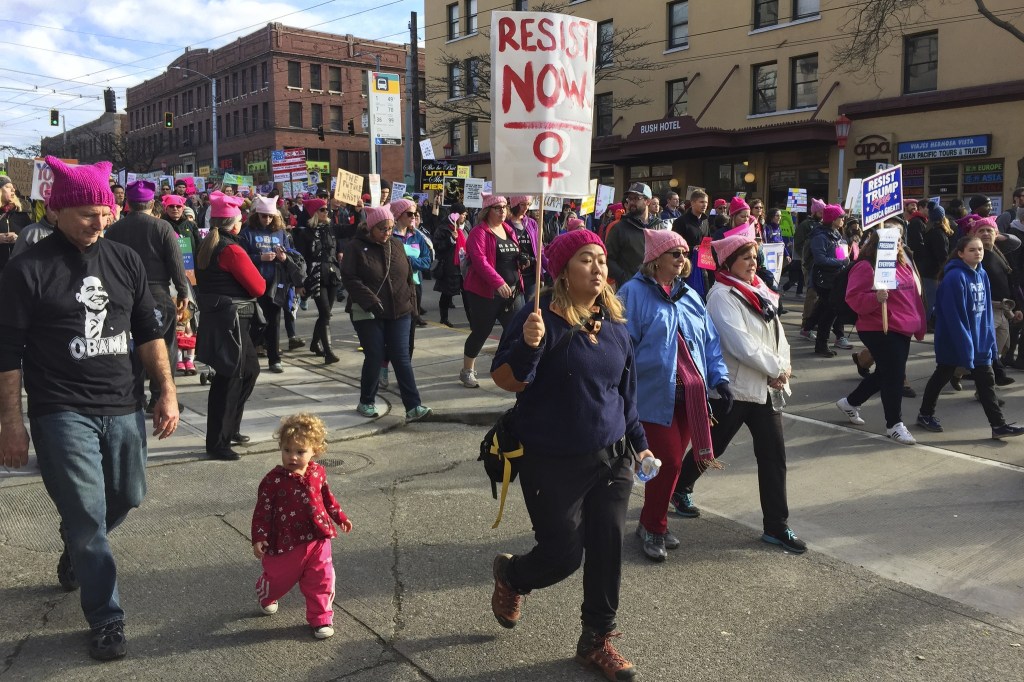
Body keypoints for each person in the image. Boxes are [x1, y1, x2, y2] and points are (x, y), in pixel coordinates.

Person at [0, 157, 178, 661]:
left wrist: (165, 391)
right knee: (88, 517)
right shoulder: (27, 269)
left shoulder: (125, 260)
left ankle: (76, 547)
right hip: (60, 410)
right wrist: (11, 422)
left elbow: (147, 332)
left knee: (128, 495)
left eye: (105, 211)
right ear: (56, 211)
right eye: (86, 214)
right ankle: (106, 618)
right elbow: (7, 351)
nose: (99, 223)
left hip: (122, 404)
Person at [489, 230, 652, 682]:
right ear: (562, 270)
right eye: (586, 260)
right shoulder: (540, 316)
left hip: (613, 458)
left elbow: (625, 394)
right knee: (563, 554)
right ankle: (513, 576)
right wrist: (529, 345)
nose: (598, 268)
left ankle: (596, 639)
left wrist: (639, 444)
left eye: (601, 260)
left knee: (607, 548)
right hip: (551, 460)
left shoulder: (616, 322)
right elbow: (506, 379)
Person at [672, 225, 805, 553]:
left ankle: (777, 526)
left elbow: (778, 335)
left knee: (774, 456)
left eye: (755, 257)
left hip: (765, 389)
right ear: (728, 262)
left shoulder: (760, 289)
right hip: (734, 388)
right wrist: (775, 368)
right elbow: (739, 344)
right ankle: (680, 486)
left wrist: (784, 367)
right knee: (712, 446)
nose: (752, 263)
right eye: (745, 257)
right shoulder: (721, 296)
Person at [617, 230, 729, 562]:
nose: (683, 260)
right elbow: (623, 348)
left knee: (672, 466)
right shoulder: (632, 294)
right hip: (651, 398)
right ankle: (653, 526)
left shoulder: (689, 295)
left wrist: (719, 379)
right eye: (676, 254)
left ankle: (650, 522)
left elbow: (709, 341)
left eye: (684, 253)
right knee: (669, 463)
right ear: (655, 260)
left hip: (689, 399)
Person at [252, 413, 352, 640]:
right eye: (287, 450)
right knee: (278, 580)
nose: (293, 457)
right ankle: (266, 593)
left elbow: (327, 498)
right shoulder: (273, 481)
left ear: (314, 450)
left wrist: (340, 516)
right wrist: (259, 536)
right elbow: (262, 511)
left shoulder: (317, 473)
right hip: (286, 542)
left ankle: (321, 617)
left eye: (300, 452)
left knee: (322, 578)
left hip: (318, 537)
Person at [916, 235, 1024, 439]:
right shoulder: (954, 278)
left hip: (979, 340)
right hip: (955, 340)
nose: (978, 253)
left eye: (981, 249)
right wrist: (966, 347)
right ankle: (925, 414)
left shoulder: (982, 274)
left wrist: (989, 340)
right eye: (972, 250)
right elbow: (953, 317)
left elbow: (984, 314)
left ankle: (998, 426)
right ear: (960, 253)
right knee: (943, 375)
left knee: (987, 380)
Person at [836, 228, 927, 444]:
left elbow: (914, 297)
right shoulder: (865, 267)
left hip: (902, 326)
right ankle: (894, 425)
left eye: (898, 241)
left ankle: (851, 402)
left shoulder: (903, 265)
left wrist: (920, 324)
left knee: (887, 372)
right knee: (895, 376)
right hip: (878, 328)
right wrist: (875, 298)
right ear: (877, 244)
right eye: (889, 242)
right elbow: (854, 297)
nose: (896, 245)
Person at [105, 180, 190, 413]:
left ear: (128, 204)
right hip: (157, 294)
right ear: (152, 203)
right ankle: (160, 396)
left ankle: (135, 396)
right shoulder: (162, 228)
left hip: (124, 295)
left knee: (128, 345)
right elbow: (176, 264)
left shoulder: (113, 230)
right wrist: (184, 291)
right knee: (164, 345)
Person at [341, 205, 432, 422]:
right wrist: (371, 301)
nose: (388, 233)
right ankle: (366, 401)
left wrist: (414, 309)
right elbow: (350, 279)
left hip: (400, 311)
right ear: (371, 227)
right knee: (375, 354)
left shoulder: (396, 245)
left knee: (401, 358)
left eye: (390, 228)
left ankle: (413, 406)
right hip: (368, 312)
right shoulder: (356, 247)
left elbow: (408, 278)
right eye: (383, 229)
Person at [194, 191, 266, 460]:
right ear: (235, 223)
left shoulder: (207, 243)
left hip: (221, 318)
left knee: (247, 371)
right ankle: (218, 442)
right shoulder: (231, 249)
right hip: (232, 319)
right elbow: (258, 286)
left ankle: (230, 428)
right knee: (230, 378)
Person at [459, 194, 524, 388]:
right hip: (485, 293)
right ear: (488, 211)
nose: (502, 211)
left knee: (516, 332)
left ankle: (511, 368)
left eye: (504, 207)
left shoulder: (508, 229)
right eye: (497, 207)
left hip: (512, 292)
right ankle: (467, 370)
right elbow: (480, 261)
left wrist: (522, 261)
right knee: (481, 332)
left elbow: (512, 256)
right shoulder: (479, 232)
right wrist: (498, 282)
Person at [240, 196, 305, 373]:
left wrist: (284, 258)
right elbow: (240, 257)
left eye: (270, 216)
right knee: (258, 322)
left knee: (274, 321)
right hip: (255, 283)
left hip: (276, 284)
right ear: (256, 215)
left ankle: (274, 359)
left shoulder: (280, 232)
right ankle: (247, 356)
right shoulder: (247, 232)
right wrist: (259, 258)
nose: (267, 220)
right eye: (263, 216)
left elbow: (289, 254)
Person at [293, 199, 342, 364]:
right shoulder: (304, 233)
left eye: (326, 209)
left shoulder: (330, 228)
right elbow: (300, 259)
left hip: (332, 274)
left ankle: (315, 343)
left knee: (324, 314)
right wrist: (299, 283)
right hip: (315, 276)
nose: (326, 212)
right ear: (314, 213)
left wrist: (358, 212)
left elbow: (351, 232)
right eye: (322, 209)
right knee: (326, 312)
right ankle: (328, 351)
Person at [801, 204, 852, 356]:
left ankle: (808, 327)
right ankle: (821, 345)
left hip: (834, 278)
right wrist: (842, 262)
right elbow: (820, 259)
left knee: (823, 307)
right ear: (832, 219)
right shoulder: (820, 236)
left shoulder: (834, 233)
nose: (843, 219)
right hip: (824, 280)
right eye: (840, 217)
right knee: (829, 313)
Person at [604, 182, 652, 287]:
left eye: (636, 198)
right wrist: (624, 277)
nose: (631, 202)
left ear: (647, 201)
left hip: (655, 288)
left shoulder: (659, 226)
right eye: (629, 199)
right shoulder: (619, 228)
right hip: (629, 289)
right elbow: (607, 258)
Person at [433, 208, 468, 328]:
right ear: (456, 215)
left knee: (467, 294)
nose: (464, 216)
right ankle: (444, 318)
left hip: (464, 266)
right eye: (462, 214)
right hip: (449, 265)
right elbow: (437, 246)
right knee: (447, 293)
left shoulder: (465, 228)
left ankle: (472, 320)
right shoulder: (443, 228)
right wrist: (451, 239)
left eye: (465, 214)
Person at [506, 194, 543, 300]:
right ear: (514, 204)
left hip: (531, 274)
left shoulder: (532, 223)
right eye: (522, 204)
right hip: (514, 274)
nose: (526, 208)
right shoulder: (505, 224)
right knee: (518, 311)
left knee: (530, 308)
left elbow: (539, 248)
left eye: (528, 204)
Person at [0, 176, 32, 272]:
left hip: (16, 270)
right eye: (8, 187)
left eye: (13, 187)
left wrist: (19, 239)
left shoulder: (22, 215)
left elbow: (31, 241)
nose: (13, 189)